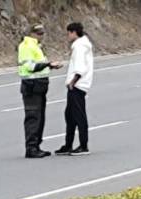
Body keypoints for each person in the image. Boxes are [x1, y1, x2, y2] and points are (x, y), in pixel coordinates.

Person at [18, 24, 62, 159]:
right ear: (32, 33)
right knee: (33, 117)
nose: (42, 36)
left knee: (40, 117)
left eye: (43, 33)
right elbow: (30, 67)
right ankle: (31, 148)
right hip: (31, 86)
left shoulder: (36, 46)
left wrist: (50, 67)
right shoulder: (27, 46)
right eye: (39, 33)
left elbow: (39, 66)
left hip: (39, 86)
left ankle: (36, 146)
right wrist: (48, 64)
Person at [58, 22, 94, 156]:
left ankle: (83, 146)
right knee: (70, 115)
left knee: (79, 116)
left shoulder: (79, 46)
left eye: (68, 33)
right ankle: (68, 144)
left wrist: (73, 82)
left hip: (78, 85)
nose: (67, 36)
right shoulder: (83, 44)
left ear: (73, 32)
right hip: (79, 84)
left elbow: (80, 67)